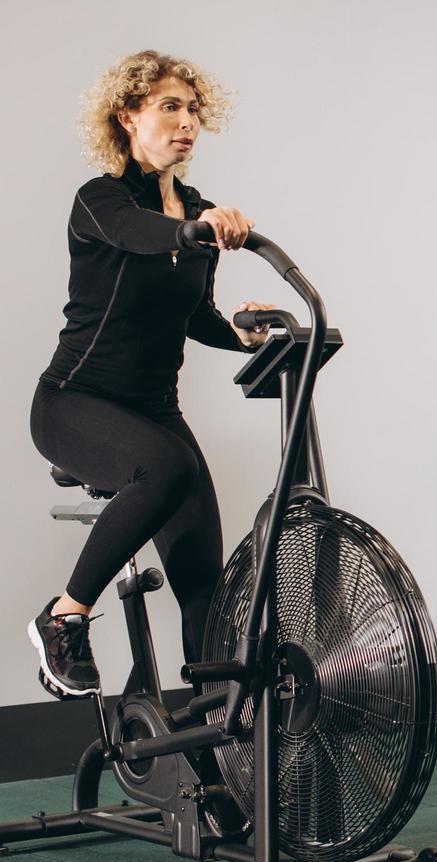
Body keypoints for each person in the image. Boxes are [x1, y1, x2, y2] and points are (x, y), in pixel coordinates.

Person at [28, 51, 272, 699]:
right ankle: (63, 617)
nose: (186, 121)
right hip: (73, 404)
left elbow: (197, 315)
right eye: (169, 107)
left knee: (207, 595)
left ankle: (198, 755)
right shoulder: (101, 202)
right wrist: (195, 230)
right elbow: (141, 234)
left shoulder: (196, 210)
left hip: (155, 414)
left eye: (192, 109)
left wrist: (244, 334)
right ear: (128, 117)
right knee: (169, 468)